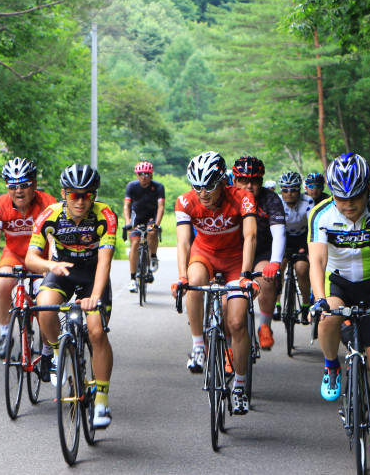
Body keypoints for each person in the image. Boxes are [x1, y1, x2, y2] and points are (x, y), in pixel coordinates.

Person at [308, 153, 370, 466]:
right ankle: (331, 366)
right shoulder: (320, 213)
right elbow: (317, 261)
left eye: (355, 199)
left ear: (368, 189)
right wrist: (320, 298)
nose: (348, 206)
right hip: (339, 288)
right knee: (327, 317)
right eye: (340, 199)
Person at [26, 164, 117, 429]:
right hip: (61, 269)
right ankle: (57, 354)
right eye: (74, 194)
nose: (80, 200)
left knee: (97, 332)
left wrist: (95, 297)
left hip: (92, 275)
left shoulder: (106, 215)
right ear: (64, 193)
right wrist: (50, 266)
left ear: (94, 195)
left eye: (87, 195)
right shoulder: (49, 215)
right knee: (44, 307)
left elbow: (104, 262)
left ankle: (101, 400)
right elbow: (31, 259)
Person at [171, 151, 258, 415]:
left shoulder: (242, 198)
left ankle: (240, 385)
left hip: (234, 262)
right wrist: (182, 277)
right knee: (195, 281)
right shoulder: (185, 202)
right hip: (204, 255)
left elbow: (251, 235)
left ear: (222, 181)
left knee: (236, 323)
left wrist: (245, 274)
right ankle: (198, 345)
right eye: (197, 186)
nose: (203, 193)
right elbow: (184, 242)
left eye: (209, 186)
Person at [0, 158, 57, 371]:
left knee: (44, 304)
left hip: (41, 257)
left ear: (34, 184)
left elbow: (52, 240)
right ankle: (5, 334)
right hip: (14, 254)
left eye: (24, 184)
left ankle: (48, 353)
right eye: (12, 185)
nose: (18, 190)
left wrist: (52, 265)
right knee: (2, 286)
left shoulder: (49, 203)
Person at [231, 156, 286, 350]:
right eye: (243, 180)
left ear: (261, 182)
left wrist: (275, 262)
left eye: (254, 181)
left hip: (263, 250)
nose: (249, 186)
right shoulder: (227, 197)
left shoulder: (270, 199)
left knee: (266, 278)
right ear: (234, 180)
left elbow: (279, 233)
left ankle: (265, 326)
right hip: (234, 252)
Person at [123, 161, 165, 292]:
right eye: (140, 174)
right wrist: (128, 222)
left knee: (152, 233)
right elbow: (126, 206)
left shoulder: (158, 187)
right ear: (137, 175)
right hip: (136, 217)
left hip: (151, 216)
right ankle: (132, 279)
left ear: (151, 175)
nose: (143, 177)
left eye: (146, 174)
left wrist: (157, 224)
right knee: (135, 243)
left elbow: (161, 207)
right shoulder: (132, 186)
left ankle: (153, 257)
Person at [278, 171, 314, 323]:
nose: (289, 193)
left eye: (293, 189)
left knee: (302, 269)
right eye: (285, 190)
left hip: (301, 237)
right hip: (283, 236)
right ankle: (277, 304)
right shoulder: (277, 201)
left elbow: (312, 224)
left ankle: (305, 305)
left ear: (299, 190)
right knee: (278, 268)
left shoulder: (307, 201)